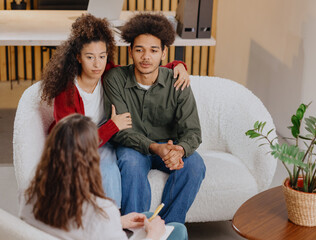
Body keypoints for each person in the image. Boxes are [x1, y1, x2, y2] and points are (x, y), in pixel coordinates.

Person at [40, 14, 190, 208]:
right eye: (90, 57)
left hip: (102, 141)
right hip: (74, 146)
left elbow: (143, 70)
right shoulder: (66, 91)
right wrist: (113, 126)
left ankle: (118, 224)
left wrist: (179, 66)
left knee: (111, 170)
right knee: (104, 170)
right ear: (78, 57)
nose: (97, 64)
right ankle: (112, 227)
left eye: (102, 56)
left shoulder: (108, 72)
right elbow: (74, 142)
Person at [103, 13, 206, 224]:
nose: (146, 57)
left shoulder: (177, 81)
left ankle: (167, 229)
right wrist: (154, 147)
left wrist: (180, 150)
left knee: (195, 164)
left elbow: (193, 131)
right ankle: (136, 231)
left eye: (153, 50)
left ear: (164, 53)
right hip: (132, 147)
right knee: (130, 163)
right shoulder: (115, 79)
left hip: (168, 146)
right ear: (130, 51)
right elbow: (121, 131)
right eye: (139, 50)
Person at [19, 114, 187, 240]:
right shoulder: (101, 209)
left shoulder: (29, 191)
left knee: (149, 215)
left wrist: (119, 221)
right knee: (178, 230)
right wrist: (153, 235)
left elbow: (78, 228)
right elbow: (95, 223)